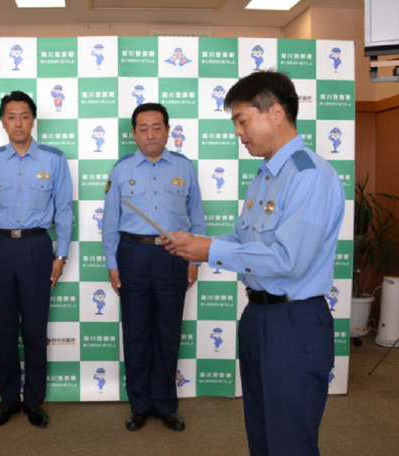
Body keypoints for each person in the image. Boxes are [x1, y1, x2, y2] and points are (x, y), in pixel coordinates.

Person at [162, 71, 345, 456]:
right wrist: (197, 243)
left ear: (275, 113)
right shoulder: (265, 175)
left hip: (294, 325)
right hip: (259, 317)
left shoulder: (308, 176)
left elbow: (288, 260)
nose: (238, 133)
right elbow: (245, 240)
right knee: (261, 431)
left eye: (242, 121)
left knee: (290, 439)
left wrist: (209, 252)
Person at [102, 102, 205, 432]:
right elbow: (110, 223)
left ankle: (165, 404)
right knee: (136, 333)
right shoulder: (121, 169)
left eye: (156, 127)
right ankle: (140, 405)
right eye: (142, 128)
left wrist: (193, 258)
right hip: (132, 254)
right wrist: (112, 263)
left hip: (173, 255)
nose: (150, 134)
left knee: (168, 332)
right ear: (133, 133)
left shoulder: (185, 167)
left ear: (167, 130)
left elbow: (197, 217)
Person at [0, 91, 73, 428]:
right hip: (0, 249)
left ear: (33, 119)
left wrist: (61, 254)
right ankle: (7, 401)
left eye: (24, 116)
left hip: (36, 248)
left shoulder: (53, 159)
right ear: (2, 121)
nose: (18, 123)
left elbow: (64, 211)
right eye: (11, 116)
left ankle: (33, 400)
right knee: (3, 329)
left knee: (33, 328)